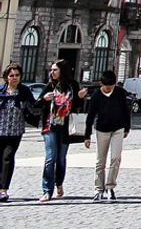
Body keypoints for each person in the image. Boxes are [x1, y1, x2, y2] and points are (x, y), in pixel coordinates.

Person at [37, 59, 81, 202]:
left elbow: (78, 108)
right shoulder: (49, 86)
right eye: (51, 69)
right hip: (49, 125)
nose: (52, 72)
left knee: (61, 159)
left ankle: (59, 183)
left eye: (55, 69)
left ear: (62, 71)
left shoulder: (72, 86)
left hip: (65, 127)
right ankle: (47, 191)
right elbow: (37, 103)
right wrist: (44, 98)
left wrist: (80, 98)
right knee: (50, 158)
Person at [83, 70, 130, 201]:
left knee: (116, 158)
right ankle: (98, 189)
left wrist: (127, 127)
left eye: (111, 86)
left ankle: (110, 186)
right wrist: (87, 136)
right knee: (100, 161)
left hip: (118, 129)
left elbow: (126, 111)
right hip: (102, 129)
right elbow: (90, 115)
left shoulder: (120, 93)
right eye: (107, 87)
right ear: (101, 84)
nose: (109, 89)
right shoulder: (97, 95)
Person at [0, 63, 36, 202]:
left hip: (15, 132)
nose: (14, 78)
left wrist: (44, 101)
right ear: (6, 77)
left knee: (7, 158)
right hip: (0, 130)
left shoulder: (24, 91)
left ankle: (3, 190)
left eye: (17, 75)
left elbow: (33, 109)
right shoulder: (1, 91)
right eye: (11, 75)